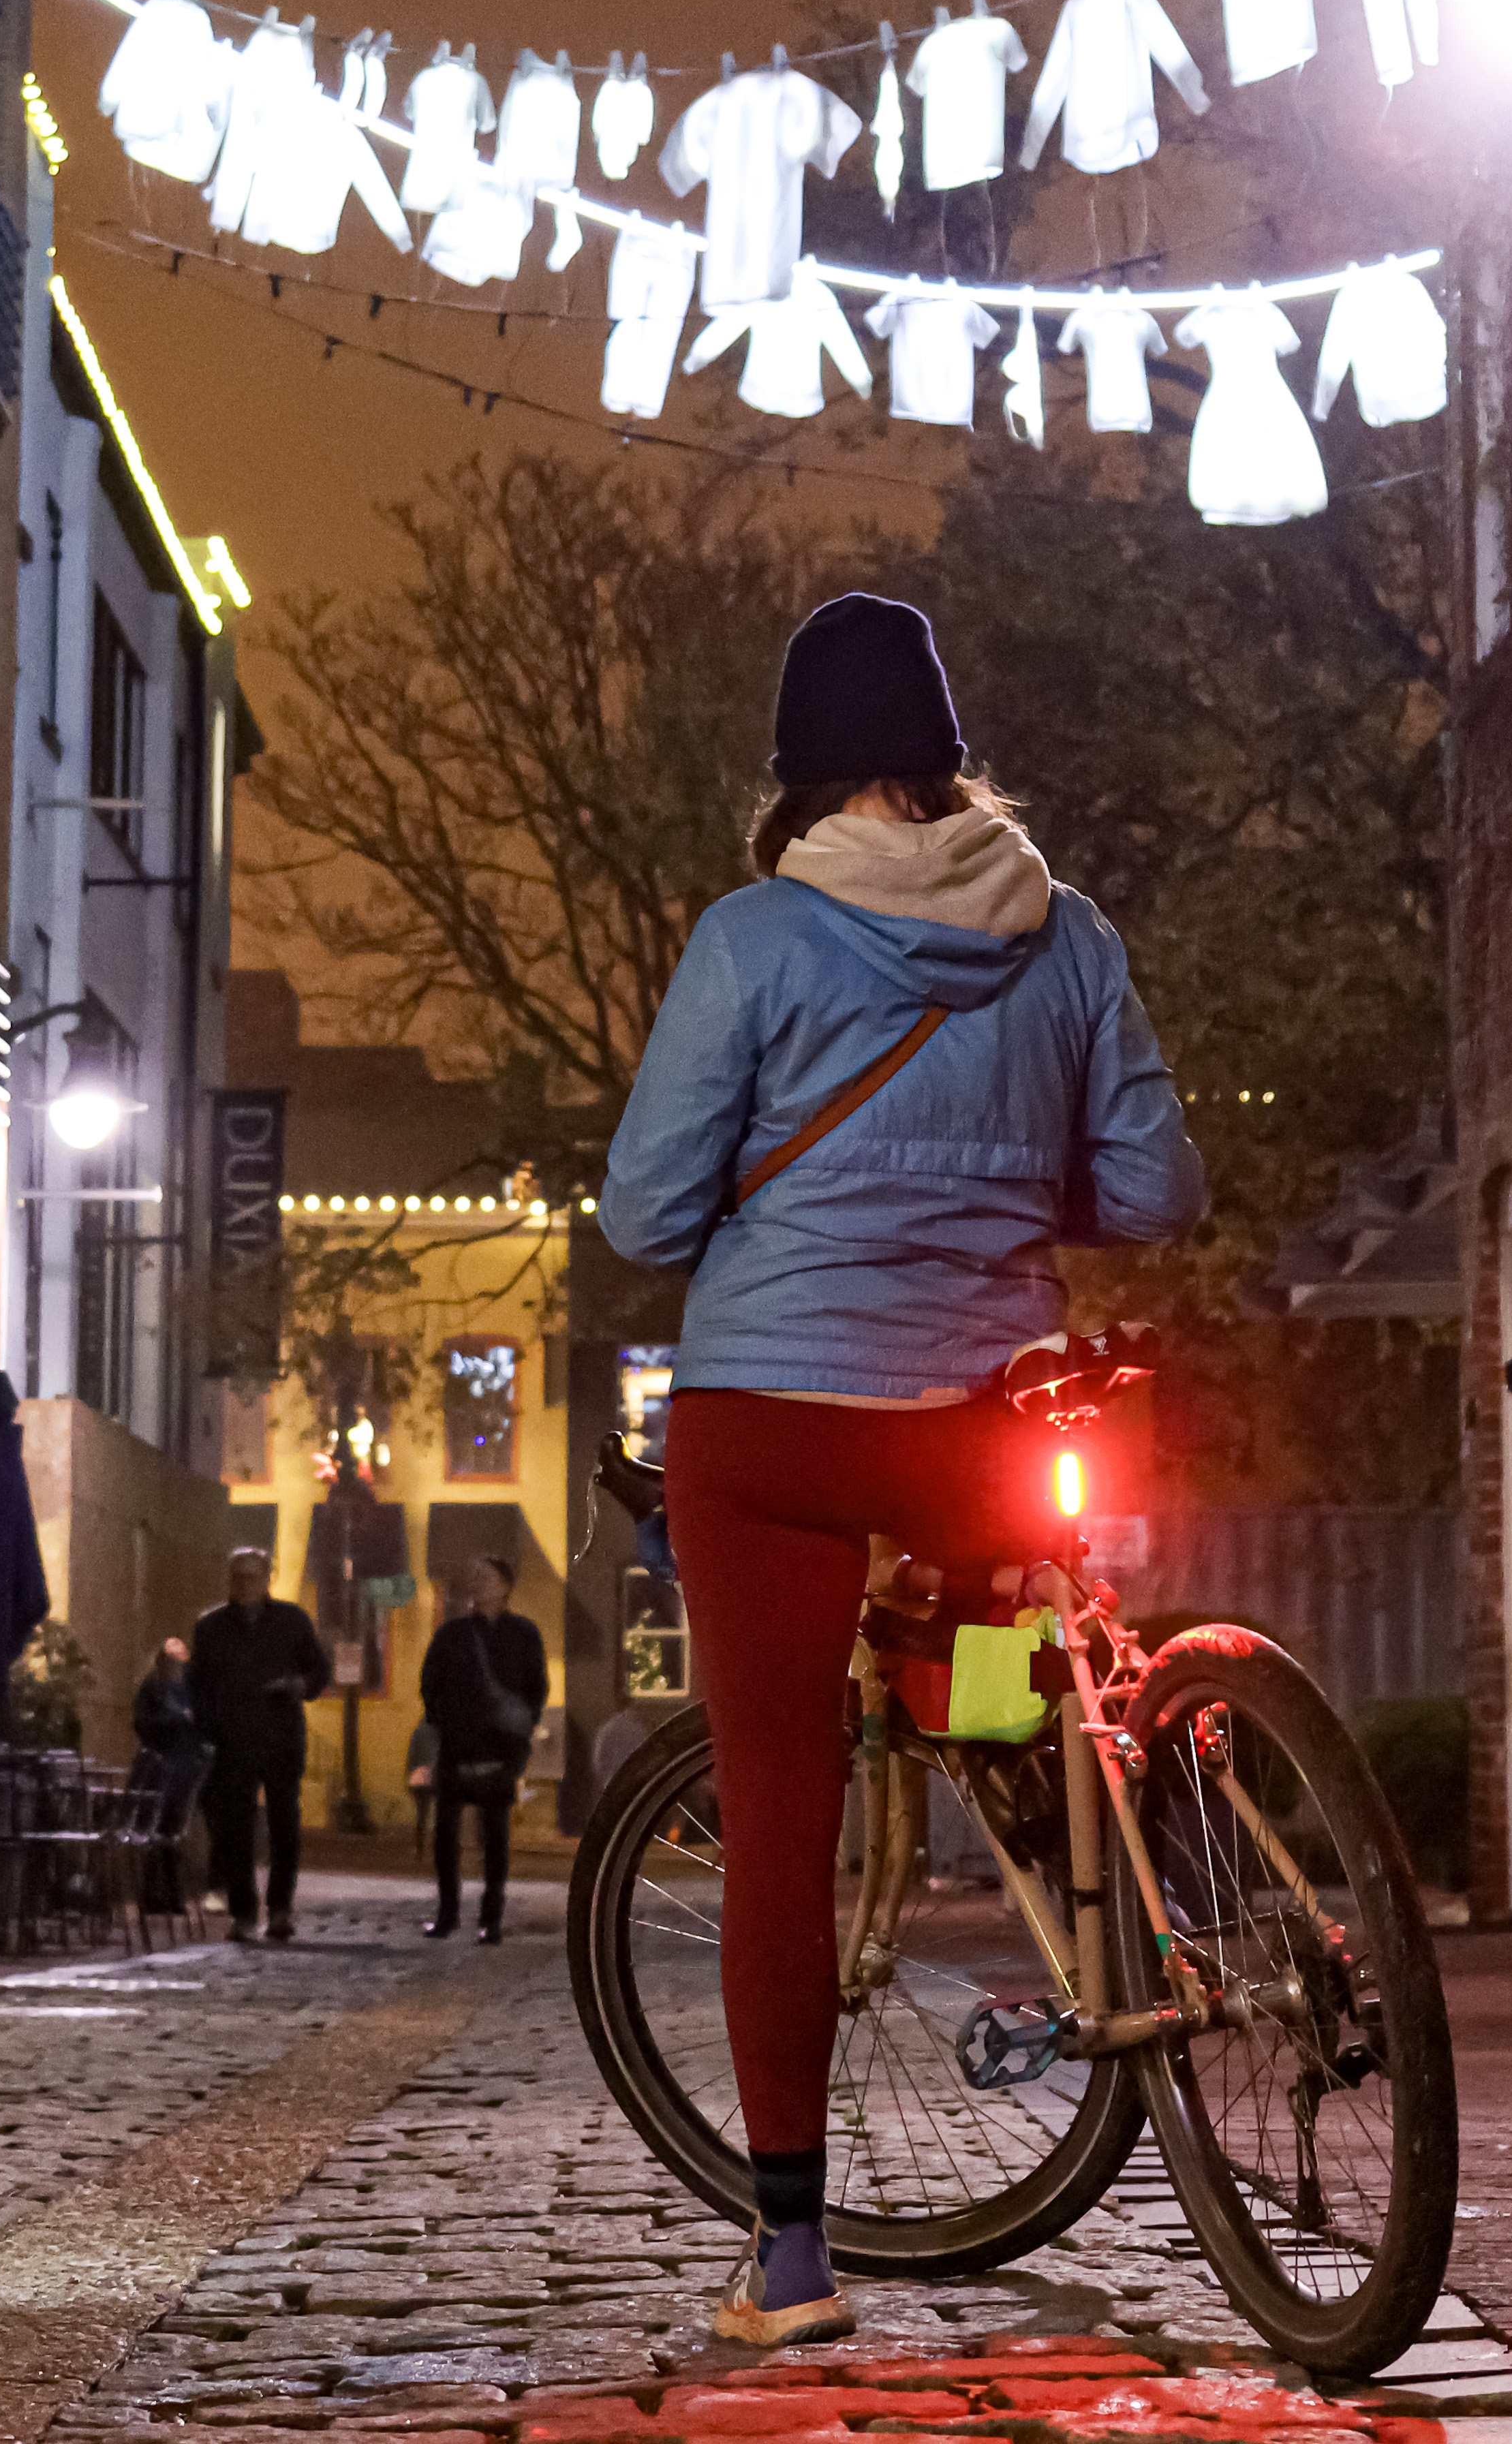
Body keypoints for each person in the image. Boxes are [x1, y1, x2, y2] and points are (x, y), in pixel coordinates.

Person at [606, 591, 1205, 2347]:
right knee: (1033, 1679)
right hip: (983, 1419)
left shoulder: (750, 939)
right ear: (947, 757)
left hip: (774, 1422)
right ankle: (1129, 1894)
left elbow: (644, 1211)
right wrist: (1010, 1183)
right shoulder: (1066, 934)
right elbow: (1160, 1191)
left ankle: (792, 2261)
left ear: (796, 771)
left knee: (777, 1806)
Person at [183, 1547, 331, 1942]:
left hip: (280, 1737)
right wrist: (207, 1728)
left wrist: (300, 1685)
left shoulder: (291, 1621)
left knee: (284, 1825)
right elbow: (197, 1685)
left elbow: (319, 1670)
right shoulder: (211, 1627)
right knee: (236, 1830)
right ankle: (244, 1913)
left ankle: (280, 1909)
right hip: (233, 1741)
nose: (245, 1584)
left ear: (267, 1579)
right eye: (238, 1577)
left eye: (252, 1576)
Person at [410, 1558, 550, 1943]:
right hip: (457, 1745)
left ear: (506, 1586)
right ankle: (448, 1913)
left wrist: (521, 1729)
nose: (478, 1583)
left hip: (500, 1746)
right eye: (474, 1577)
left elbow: (536, 1686)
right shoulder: (452, 1633)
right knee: (446, 1834)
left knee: (495, 1837)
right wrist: (444, 1721)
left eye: (486, 1577)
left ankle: (491, 1919)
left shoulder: (523, 1634)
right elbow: (430, 1683)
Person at [127, 1631, 208, 1918]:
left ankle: (166, 1894)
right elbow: (144, 1723)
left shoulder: (181, 1690)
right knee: (160, 1832)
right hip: (161, 1770)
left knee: (167, 1832)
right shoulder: (157, 1688)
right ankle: (160, 1894)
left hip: (176, 1771)